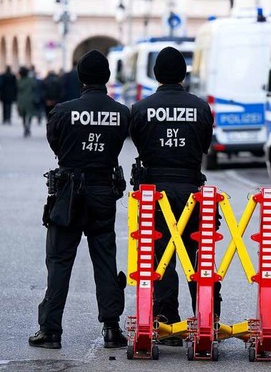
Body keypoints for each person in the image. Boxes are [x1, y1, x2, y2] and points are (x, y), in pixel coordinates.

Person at [29, 50, 130, 350]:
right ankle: (111, 328)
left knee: (59, 260)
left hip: (68, 192)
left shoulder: (63, 111)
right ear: (107, 78)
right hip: (103, 192)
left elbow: (55, 145)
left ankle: (50, 331)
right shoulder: (122, 112)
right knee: (104, 259)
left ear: (81, 78)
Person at [128, 46, 218, 346]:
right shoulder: (201, 108)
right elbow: (204, 146)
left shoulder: (140, 109)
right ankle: (207, 320)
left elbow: (141, 145)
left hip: (156, 193)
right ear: (183, 74)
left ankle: (167, 322)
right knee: (200, 256)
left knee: (161, 258)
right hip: (193, 191)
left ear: (156, 75)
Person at [16, 66, 38, 137]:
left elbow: (18, 88)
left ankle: (25, 126)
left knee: (23, 115)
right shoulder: (30, 80)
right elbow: (35, 86)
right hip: (30, 99)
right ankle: (28, 126)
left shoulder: (19, 81)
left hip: (21, 99)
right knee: (30, 114)